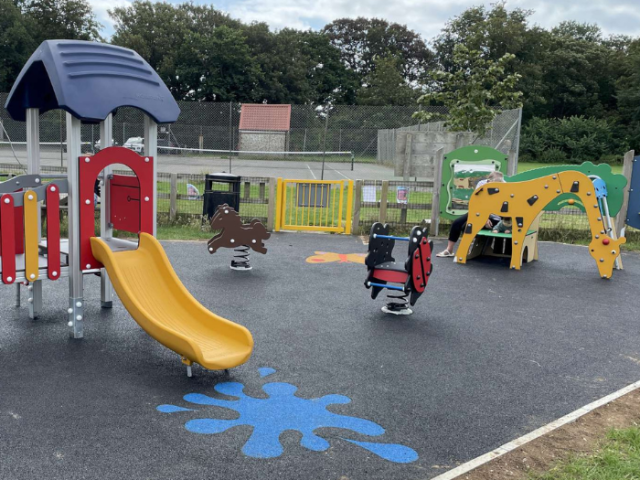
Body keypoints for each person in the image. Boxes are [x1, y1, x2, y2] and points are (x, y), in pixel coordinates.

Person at [436, 171, 506, 258]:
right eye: (495, 184)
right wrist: (484, 218)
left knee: (466, 226)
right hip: (478, 211)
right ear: (489, 181)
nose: (498, 186)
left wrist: (486, 218)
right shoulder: (482, 184)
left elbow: (501, 207)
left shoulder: (504, 186)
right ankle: (449, 250)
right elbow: (477, 202)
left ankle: (468, 249)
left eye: (499, 183)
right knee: (457, 223)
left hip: (495, 215)